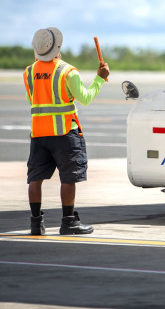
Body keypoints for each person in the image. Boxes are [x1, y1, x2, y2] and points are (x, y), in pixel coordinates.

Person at [23, 27, 110, 236]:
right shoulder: (67, 71)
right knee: (68, 178)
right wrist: (100, 78)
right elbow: (86, 98)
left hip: (38, 134)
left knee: (35, 178)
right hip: (64, 132)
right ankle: (68, 222)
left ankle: (36, 223)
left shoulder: (28, 72)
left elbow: (32, 101)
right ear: (57, 47)